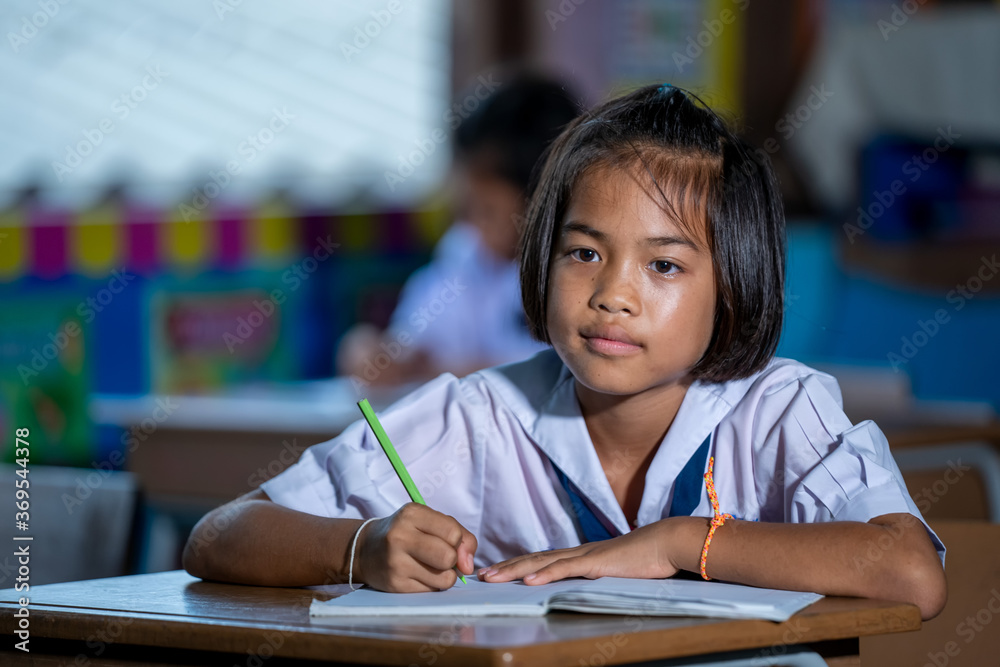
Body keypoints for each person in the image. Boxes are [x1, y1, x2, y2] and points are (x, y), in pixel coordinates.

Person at [184, 85, 947, 620]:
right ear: (540, 258)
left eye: (664, 265)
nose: (613, 293)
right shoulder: (478, 414)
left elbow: (909, 569)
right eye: (583, 253)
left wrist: (679, 543)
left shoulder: (780, 407)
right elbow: (219, 533)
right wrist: (359, 545)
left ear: (736, 284)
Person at [336, 73, 580, 385]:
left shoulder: (572, 270)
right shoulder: (467, 253)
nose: (471, 224)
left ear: (545, 203)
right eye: (467, 207)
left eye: (487, 212)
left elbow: (554, 373)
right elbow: (411, 344)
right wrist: (367, 349)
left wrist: (438, 370)